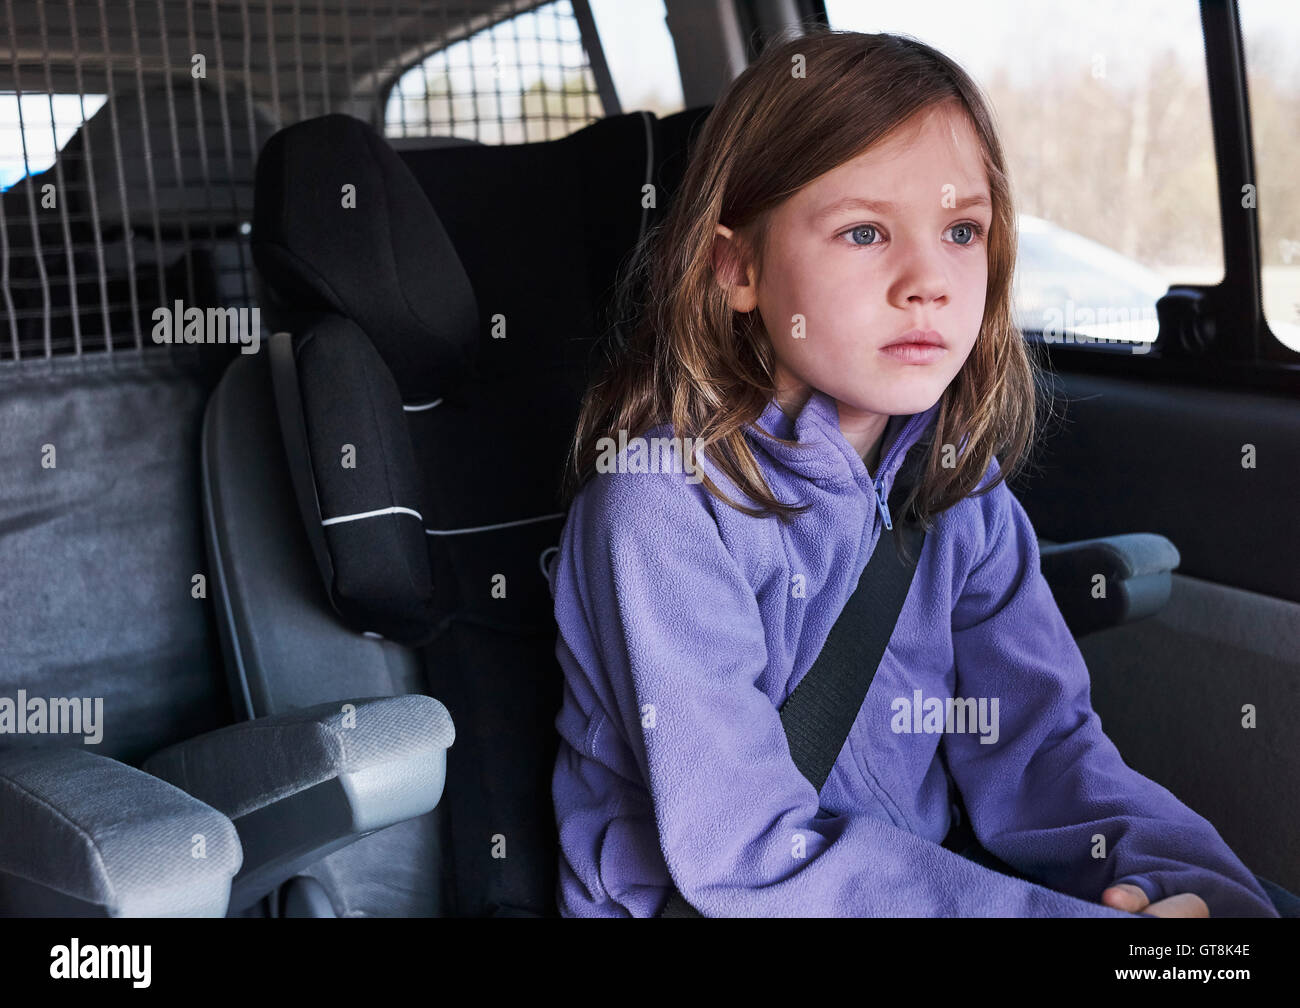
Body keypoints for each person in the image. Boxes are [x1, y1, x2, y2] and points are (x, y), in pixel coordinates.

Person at [547, 28, 1282, 917]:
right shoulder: (659, 508)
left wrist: (1185, 886)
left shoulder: (960, 496)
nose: (927, 279)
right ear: (737, 267)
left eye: (961, 230)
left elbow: (1042, 751)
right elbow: (746, 857)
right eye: (863, 232)